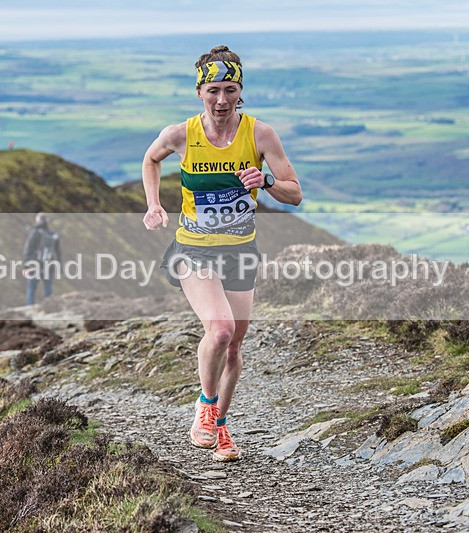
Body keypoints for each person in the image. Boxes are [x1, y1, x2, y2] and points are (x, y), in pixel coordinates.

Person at [141, 45, 302, 462]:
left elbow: (295, 193)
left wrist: (265, 181)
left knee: (234, 348)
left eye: (230, 89)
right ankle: (204, 407)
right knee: (222, 329)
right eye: (213, 89)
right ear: (199, 92)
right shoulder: (182, 134)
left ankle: (222, 427)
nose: (221, 100)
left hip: (240, 251)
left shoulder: (260, 134)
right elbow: (150, 159)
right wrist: (154, 204)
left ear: (240, 90)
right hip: (193, 249)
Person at [22, 212, 62, 306]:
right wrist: (60, 266)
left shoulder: (35, 232)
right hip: (49, 264)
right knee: (48, 287)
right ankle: (48, 307)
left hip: (35, 264)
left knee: (31, 287)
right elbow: (58, 252)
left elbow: (28, 249)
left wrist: (25, 265)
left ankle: (30, 308)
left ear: (38, 220)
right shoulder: (54, 234)